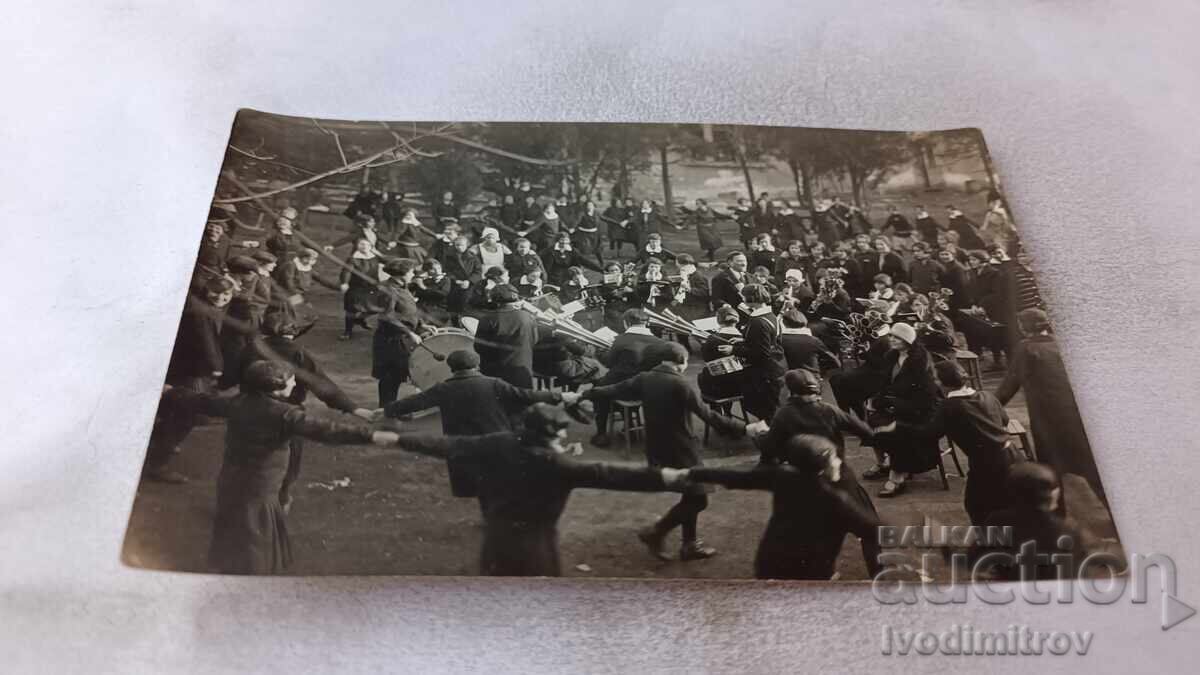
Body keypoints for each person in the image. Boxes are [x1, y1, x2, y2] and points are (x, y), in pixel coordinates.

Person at [381, 403, 688, 576]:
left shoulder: (497, 443)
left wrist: (395, 439)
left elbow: (444, 445)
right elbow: (608, 474)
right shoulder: (557, 464)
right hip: (535, 546)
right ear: (552, 434)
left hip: (496, 538)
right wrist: (666, 477)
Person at [161, 361, 398, 574]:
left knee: (232, 519)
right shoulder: (286, 413)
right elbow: (329, 431)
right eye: (291, 380)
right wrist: (372, 436)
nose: (295, 383)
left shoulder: (238, 402)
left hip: (232, 475)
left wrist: (171, 392)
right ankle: (253, 574)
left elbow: (201, 401)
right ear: (277, 388)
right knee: (257, 531)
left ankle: (226, 563)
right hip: (262, 482)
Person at [583, 343, 747, 561]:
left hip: (658, 446)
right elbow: (708, 415)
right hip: (682, 447)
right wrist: (744, 428)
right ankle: (657, 533)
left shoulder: (645, 377)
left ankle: (689, 545)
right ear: (682, 362)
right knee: (699, 499)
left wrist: (584, 394)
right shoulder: (680, 383)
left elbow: (612, 389)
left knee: (692, 494)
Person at [686, 434, 882, 580]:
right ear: (822, 468)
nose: (839, 461)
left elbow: (734, 476)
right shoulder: (834, 499)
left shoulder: (782, 475)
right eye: (833, 458)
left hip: (768, 563)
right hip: (811, 573)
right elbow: (873, 529)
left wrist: (690, 473)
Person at [238, 315, 374, 511]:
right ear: (293, 333)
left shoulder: (250, 348)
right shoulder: (297, 353)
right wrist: (354, 408)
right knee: (288, 458)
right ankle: (282, 497)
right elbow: (321, 385)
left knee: (248, 455)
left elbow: (231, 375)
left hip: (251, 408)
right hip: (286, 411)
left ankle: (247, 498)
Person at [876, 361, 1024, 524]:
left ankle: (991, 544)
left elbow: (928, 433)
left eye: (936, 380)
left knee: (976, 506)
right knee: (1010, 502)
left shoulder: (949, 406)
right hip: (1013, 454)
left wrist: (898, 426)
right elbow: (1004, 420)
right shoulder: (986, 395)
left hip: (987, 463)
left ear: (943, 384)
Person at [995, 309, 1105, 504]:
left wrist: (991, 407)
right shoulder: (1064, 343)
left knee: (1051, 471)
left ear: (1023, 328)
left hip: (1048, 421)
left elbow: (1008, 387)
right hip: (1077, 417)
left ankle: (1055, 516)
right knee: (1092, 468)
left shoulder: (1026, 349)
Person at [142, 276, 235, 483]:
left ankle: (156, 445)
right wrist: (217, 369)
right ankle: (157, 464)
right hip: (191, 371)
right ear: (206, 291)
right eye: (216, 292)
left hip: (186, 369)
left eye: (226, 294)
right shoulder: (200, 313)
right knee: (186, 414)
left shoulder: (203, 307)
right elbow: (206, 342)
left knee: (178, 412)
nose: (220, 297)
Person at [969, 463, 1097, 581]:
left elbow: (973, 559)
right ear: (1050, 495)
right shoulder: (1068, 530)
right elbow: (1079, 575)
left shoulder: (997, 521)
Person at [865, 322, 943, 498]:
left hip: (918, 410)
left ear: (907, 340)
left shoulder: (920, 360)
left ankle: (897, 477)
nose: (891, 339)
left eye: (896, 337)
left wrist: (893, 405)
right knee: (871, 421)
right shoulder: (891, 356)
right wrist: (876, 401)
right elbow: (885, 384)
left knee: (896, 430)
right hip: (896, 405)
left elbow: (926, 398)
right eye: (891, 335)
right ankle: (884, 463)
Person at [758, 370, 872, 465]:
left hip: (805, 475)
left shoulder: (784, 414)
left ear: (789, 391)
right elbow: (865, 431)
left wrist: (761, 436)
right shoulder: (829, 410)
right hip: (836, 469)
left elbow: (769, 449)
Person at [588, 308, 666, 447]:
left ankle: (601, 434)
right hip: (647, 388)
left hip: (623, 388)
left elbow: (609, 363)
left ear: (626, 323)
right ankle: (629, 425)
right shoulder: (660, 342)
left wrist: (599, 351)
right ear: (647, 323)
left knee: (599, 389)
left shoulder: (620, 340)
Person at [719, 284, 787, 421]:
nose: (742, 298)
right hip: (776, 366)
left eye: (743, 296)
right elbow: (767, 341)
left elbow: (761, 352)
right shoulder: (770, 314)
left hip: (764, 373)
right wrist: (742, 340)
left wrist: (734, 349)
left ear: (750, 298)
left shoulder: (757, 322)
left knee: (766, 412)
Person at [372, 259, 431, 406]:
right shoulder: (388, 290)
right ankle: (386, 410)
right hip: (390, 341)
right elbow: (387, 316)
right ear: (401, 274)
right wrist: (410, 333)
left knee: (397, 375)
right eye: (411, 272)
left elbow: (409, 311)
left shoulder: (402, 287)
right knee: (390, 378)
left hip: (401, 338)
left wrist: (423, 325)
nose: (413, 274)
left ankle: (391, 409)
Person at [473, 284, 538, 388]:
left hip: (495, 374)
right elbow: (534, 341)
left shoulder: (488, 319)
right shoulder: (528, 317)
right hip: (522, 371)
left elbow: (479, 348)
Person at [697, 305, 746, 402]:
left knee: (705, 373)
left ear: (718, 321)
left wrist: (703, 344)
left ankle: (720, 411)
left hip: (719, 387)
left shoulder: (712, 339)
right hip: (742, 384)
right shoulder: (745, 337)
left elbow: (706, 359)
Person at [337, 238, 381, 340]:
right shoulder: (353, 259)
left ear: (371, 246)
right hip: (356, 288)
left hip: (372, 287)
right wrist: (345, 282)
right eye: (361, 244)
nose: (364, 246)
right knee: (351, 310)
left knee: (374, 307)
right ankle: (348, 331)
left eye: (367, 244)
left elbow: (387, 260)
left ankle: (360, 319)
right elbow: (346, 272)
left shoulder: (374, 257)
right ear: (357, 246)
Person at [569, 200, 604, 267]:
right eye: (588, 205)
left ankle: (602, 264)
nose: (589, 207)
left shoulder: (596, 213)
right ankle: (581, 265)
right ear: (585, 206)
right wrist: (573, 228)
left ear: (594, 206)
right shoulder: (582, 213)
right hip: (584, 234)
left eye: (591, 205)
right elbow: (577, 220)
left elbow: (605, 218)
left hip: (595, 234)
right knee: (584, 250)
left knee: (598, 250)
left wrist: (618, 223)